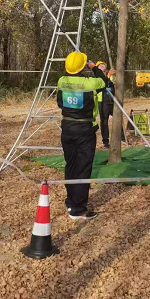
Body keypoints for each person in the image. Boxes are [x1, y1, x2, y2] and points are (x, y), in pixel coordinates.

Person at [57, 51, 106, 221]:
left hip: (67, 128)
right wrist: (94, 67)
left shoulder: (62, 81)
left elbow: (59, 102)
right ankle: (78, 210)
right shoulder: (91, 83)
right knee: (83, 168)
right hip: (85, 129)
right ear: (82, 66)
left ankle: (71, 201)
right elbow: (105, 81)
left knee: (71, 166)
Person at [95, 60, 115, 149]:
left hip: (112, 99)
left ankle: (121, 137)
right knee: (104, 121)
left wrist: (112, 76)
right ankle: (105, 141)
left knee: (118, 118)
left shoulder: (110, 74)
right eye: (100, 65)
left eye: (103, 64)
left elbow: (113, 83)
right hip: (102, 100)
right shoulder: (97, 76)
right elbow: (103, 84)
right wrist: (109, 76)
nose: (102, 66)